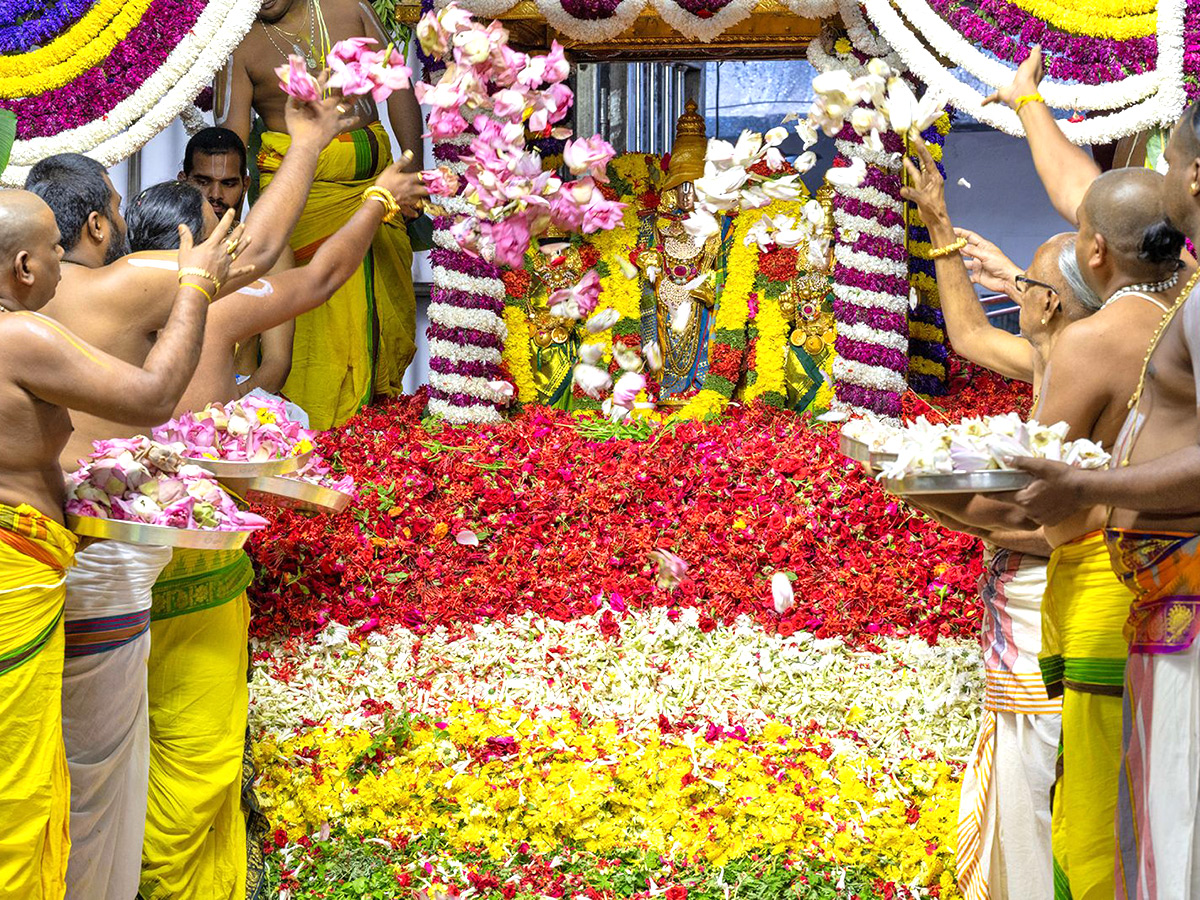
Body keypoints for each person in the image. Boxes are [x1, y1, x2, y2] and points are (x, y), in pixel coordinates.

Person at [25, 94, 346, 900]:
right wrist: (307, 142)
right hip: (142, 569)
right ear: (99, 226)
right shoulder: (127, 288)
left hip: (42, 561)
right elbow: (269, 252)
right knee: (142, 765)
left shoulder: (24, 315)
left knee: (58, 769)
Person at [119, 165, 423, 900]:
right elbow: (321, 276)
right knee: (191, 750)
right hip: (193, 570)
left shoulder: (81, 305)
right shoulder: (214, 312)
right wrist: (379, 197)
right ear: (199, 245)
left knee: (122, 744)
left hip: (106, 562)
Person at [0, 189, 245, 900]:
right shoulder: (22, 337)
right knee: (15, 796)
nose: (62, 266)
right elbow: (151, 398)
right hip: (14, 579)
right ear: (22, 266)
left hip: (26, 563)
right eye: (53, 253)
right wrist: (196, 288)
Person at [1014, 99, 1200, 898]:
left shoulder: (1099, 336)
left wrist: (1084, 486)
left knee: (1131, 831)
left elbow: (1038, 499)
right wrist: (1027, 104)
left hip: (1147, 596)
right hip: (1148, 599)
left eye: (1171, 161)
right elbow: (1085, 194)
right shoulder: (1181, 293)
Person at [900, 137, 1094, 900]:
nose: (1016, 287)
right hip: (1022, 598)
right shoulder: (1051, 355)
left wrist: (959, 514)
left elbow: (1070, 523)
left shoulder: (1093, 363)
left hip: (1062, 598)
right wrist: (939, 226)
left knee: (1050, 779)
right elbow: (970, 338)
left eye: (1027, 280)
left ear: (1057, 300)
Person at [217, 0, 425, 429]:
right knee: (312, 322)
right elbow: (231, 145)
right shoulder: (238, 44)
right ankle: (320, 434)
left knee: (383, 326)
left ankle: (376, 436)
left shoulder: (349, 8)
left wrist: (411, 172)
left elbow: (399, 89)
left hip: (377, 191)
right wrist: (227, 225)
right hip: (304, 205)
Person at [178, 127, 295, 396]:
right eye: (203, 181)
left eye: (228, 183)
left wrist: (220, 413)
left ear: (245, 184)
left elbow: (277, 365)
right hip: (168, 401)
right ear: (184, 180)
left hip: (242, 400)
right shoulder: (164, 242)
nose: (215, 194)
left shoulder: (268, 251)